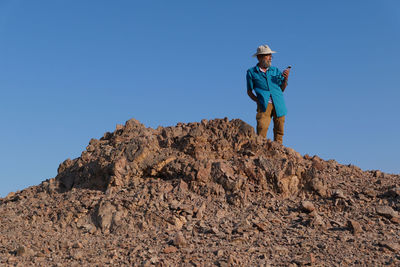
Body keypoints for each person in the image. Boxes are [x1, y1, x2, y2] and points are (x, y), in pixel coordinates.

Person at [246, 44, 290, 144]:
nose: (270, 58)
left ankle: (278, 150)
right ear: (259, 57)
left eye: (271, 55)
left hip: (279, 103)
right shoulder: (251, 72)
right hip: (264, 105)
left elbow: (282, 89)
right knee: (262, 128)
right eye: (267, 55)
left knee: (279, 130)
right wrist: (258, 101)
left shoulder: (276, 71)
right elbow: (249, 91)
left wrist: (285, 79)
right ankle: (261, 149)